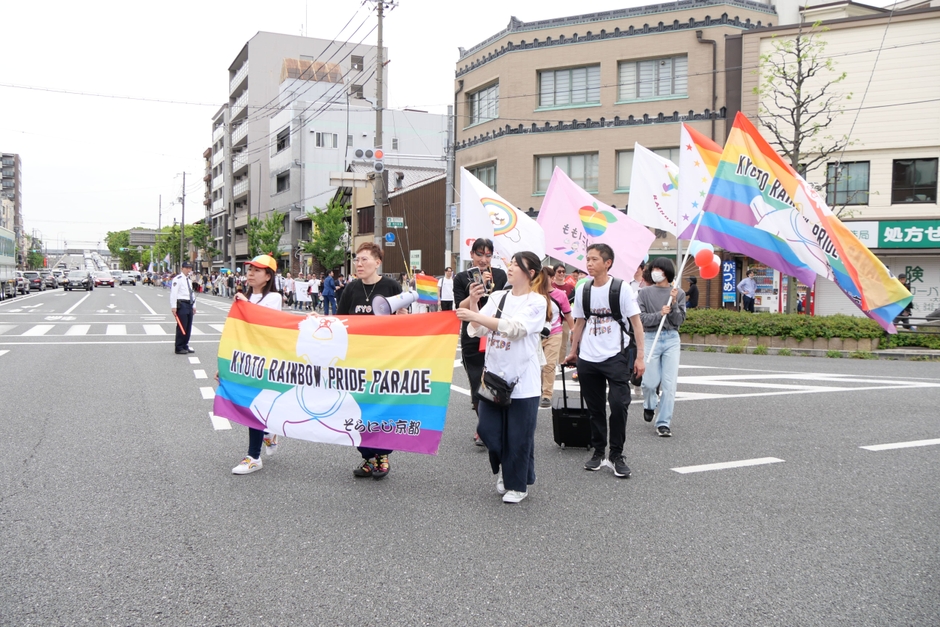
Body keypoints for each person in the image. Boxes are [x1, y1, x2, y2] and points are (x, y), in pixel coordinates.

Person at [457, 251, 549, 504]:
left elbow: (516, 329)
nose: (510, 268)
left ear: (530, 273)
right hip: (494, 378)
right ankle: (510, 471)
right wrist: (475, 304)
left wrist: (475, 315)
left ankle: (517, 484)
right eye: (510, 263)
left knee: (519, 437)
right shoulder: (498, 297)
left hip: (523, 381)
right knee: (488, 431)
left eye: (517, 265)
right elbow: (477, 330)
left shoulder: (537, 302)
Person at [563, 244, 645, 479]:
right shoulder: (583, 289)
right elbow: (579, 323)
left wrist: (640, 357)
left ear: (608, 263)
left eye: (594, 259)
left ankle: (616, 454)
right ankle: (599, 451)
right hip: (588, 358)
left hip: (615, 356)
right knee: (595, 409)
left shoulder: (621, 289)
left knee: (619, 406)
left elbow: (637, 325)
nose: (589, 263)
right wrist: (573, 351)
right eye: (587, 259)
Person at [337, 243, 404, 479]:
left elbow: (404, 320)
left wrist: (402, 318)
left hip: (384, 360)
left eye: (364, 259)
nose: (359, 264)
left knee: (381, 408)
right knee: (357, 409)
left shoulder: (390, 286)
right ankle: (367, 457)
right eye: (357, 260)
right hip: (356, 361)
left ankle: (382, 455)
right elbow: (340, 321)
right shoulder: (351, 289)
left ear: (378, 262)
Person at [231, 254, 284, 475]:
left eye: (257, 270)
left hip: (266, 360)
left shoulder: (274, 298)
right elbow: (236, 333)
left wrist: (244, 305)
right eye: (249, 269)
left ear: (268, 276)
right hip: (245, 359)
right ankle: (268, 432)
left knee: (255, 405)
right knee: (250, 404)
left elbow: (265, 323)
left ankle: (253, 456)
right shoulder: (243, 298)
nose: (250, 274)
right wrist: (225, 364)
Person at [453, 238, 508, 447]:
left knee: (497, 381)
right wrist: (472, 296)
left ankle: (498, 424)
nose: (484, 259)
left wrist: (490, 287)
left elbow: (506, 301)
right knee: (477, 383)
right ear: (472, 254)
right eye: (479, 254)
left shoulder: (501, 275)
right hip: (472, 334)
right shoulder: (461, 278)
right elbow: (460, 307)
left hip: (496, 334)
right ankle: (483, 427)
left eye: (488, 255)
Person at [637, 258, 686, 438]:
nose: (655, 272)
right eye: (653, 269)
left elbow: (680, 321)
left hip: (672, 338)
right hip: (650, 337)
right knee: (649, 383)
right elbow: (641, 319)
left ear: (667, 272)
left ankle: (664, 423)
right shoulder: (644, 293)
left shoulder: (678, 293)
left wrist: (673, 305)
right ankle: (649, 404)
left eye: (659, 269)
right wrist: (659, 314)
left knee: (669, 385)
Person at [540, 267, 574, 408]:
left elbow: (567, 314)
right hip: (535, 334)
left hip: (554, 332)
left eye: (547, 276)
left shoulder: (560, 295)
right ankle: (536, 389)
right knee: (535, 364)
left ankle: (547, 394)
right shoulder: (533, 293)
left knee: (549, 363)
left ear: (552, 278)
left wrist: (573, 331)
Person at [170, 261, 196, 355]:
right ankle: (179, 346)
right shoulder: (178, 279)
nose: (189, 270)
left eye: (190, 268)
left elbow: (191, 293)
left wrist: (194, 305)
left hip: (189, 304)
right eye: (187, 268)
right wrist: (174, 307)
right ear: (182, 268)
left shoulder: (189, 280)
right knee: (182, 326)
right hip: (182, 304)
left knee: (188, 327)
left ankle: (185, 345)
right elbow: (174, 293)